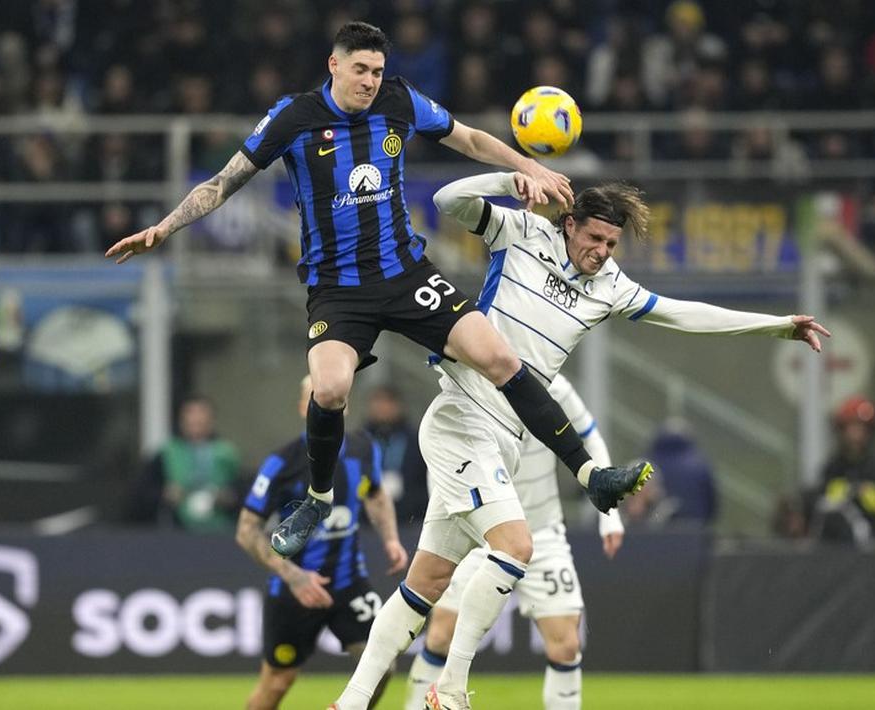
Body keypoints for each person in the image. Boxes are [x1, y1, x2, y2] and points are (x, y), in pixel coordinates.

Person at [105, 20, 648, 560]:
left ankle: (591, 475)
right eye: (360, 69)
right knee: (331, 389)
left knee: (500, 356)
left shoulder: (399, 101)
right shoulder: (293, 117)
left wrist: (524, 163)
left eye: (378, 71)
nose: (369, 81)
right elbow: (222, 182)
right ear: (334, 65)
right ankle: (317, 500)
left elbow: (469, 138)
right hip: (337, 289)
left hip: (405, 273)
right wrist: (165, 228)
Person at [331, 172, 828, 710]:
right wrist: (510, 176)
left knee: (424, 584)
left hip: (509, 436)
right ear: (569, 224)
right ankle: (449, 690)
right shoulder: (520, 231)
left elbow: (685, 314)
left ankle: (353, 701)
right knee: (515, 547)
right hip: (462, 416)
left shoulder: (612, 286)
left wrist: (777, 326)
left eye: (611, 244)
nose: (601, 251)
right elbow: (448, 200)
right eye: (593, 238)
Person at [403, 374, 623, 710]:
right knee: (440, 635)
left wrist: (611, 516)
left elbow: (590, 437)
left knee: (566, 643)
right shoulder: (467, 379)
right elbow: (444, 453)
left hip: (543, 532)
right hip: (481, 534)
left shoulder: (555, 385)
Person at [235, 376, 408, 710]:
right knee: (277, 683)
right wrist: (294, 577)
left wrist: (391, 539)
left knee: (381, 666)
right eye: (313, 399)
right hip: (293, 588)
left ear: (345, 403)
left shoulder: (362, 448)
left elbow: (376, 494)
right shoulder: (283, 462)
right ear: (304, 407)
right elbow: (246, 530)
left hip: (348, 582)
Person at [130, 396, 242, 533]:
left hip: (220, 532)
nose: (196, 424)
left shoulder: (226, 453)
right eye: (191, 420)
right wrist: (164, 495)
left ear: (211, 421)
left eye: (201, 420)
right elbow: (142, 494)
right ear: (181, 422)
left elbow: (243, 491)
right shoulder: (167, 453)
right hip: (179, 532)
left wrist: (229, 497)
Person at [804, 396, 875, 544]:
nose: (856, 436)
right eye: (851, 428)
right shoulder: (833, 467)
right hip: (835, 546)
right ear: (841, 431)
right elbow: (817, 503)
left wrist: (869, 495)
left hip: (874, 545)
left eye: (862, 429)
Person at [364, 385, 427, 525]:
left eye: (388, 401)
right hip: (368, 519)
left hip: (410, 519)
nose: (382, 407)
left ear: (398, 405)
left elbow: (423, 478)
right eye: (378, 401)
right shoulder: (362, 439)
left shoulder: (416, 438)